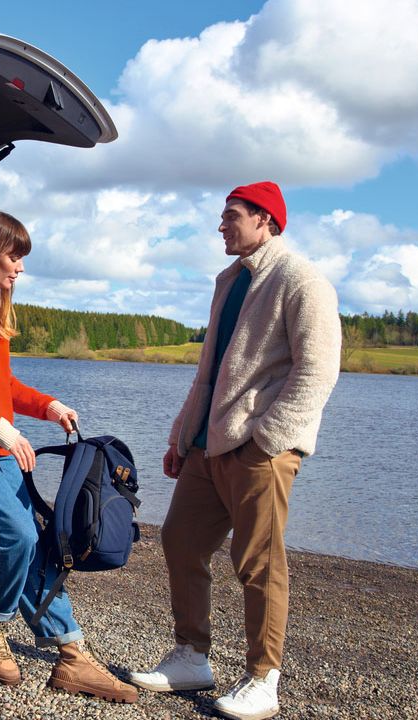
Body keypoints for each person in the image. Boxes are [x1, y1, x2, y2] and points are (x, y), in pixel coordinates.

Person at [130, 182, 340, 720]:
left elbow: (318, 370)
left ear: (265, 219)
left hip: (259, 450)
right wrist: (184, 436)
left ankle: (263, 678)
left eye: (231, 216)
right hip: (209, 446)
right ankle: (192, 657)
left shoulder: (302, 279)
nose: (221, 226)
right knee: (180, 541)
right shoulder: (230, 281)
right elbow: (211, 371)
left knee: (258, 563)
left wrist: (268, 440)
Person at [0, 209, 140, 703]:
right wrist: (0, 428)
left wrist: (48, 406)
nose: (19, 267)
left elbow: (2, 386)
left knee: (37, 544)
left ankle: (71, 653)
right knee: (17, 535)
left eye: (22, 258)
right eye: (13, 255)